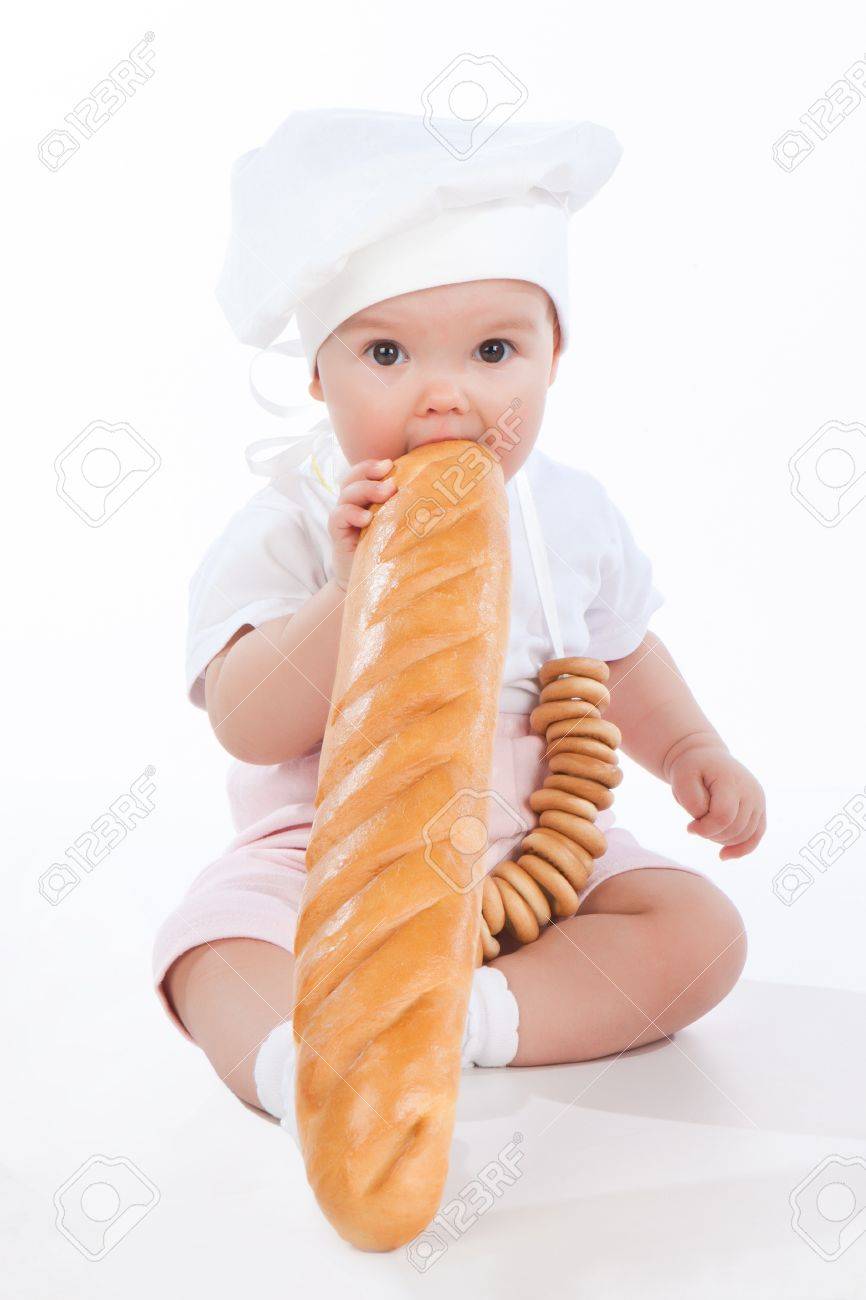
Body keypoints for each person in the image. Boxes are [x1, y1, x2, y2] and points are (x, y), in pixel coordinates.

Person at [152, 108, 764, 1137]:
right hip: (322, 856)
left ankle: (462, 1020)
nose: (444, 398)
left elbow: (619, 655)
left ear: (552, 356)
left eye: (491, 351)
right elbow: (249, 724)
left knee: (698, 932)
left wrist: (692, 746)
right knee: (208, 946)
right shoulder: (292, 520)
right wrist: (348, 597)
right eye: (385, 354)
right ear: (317, 376)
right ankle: (297, 1061)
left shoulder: (570, 515)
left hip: (528, 846)